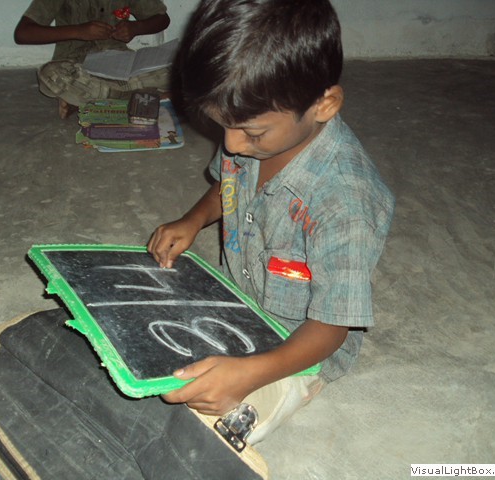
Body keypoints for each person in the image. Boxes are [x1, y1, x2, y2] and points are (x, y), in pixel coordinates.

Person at [148, 0, 395, 444]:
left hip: (302, 341)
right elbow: (228, 183)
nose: (231, 144)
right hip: (238, 297)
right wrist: (193, 219)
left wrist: (250, 374)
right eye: (221, 125)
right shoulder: (249, 130)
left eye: (251, 132)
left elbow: (332, 326)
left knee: (224, 413)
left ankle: (282, 389)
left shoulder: (346, 202)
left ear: (324, 104)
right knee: (155, 341)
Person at [14, 0, 170, 118]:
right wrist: (78, 31)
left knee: (175, 65)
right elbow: (22, 33)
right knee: (50, 73)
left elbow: (162, 19)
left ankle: (87, 100)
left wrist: (135, 28)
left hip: (119, 63)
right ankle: (140, 95)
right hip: (76, 67)